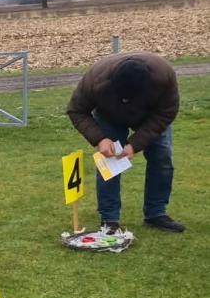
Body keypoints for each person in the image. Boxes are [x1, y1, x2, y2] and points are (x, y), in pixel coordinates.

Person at [66, 52, 183, 232]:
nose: (127, 100)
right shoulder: (96, 79)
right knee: (110, 164)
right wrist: (100, 139)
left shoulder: (163, 75)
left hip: (150, 116)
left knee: (162, 159)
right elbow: (76, 110)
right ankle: (109, 219)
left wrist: (134, 144)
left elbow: (166, 112)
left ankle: (156, 213)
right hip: (110, 117)